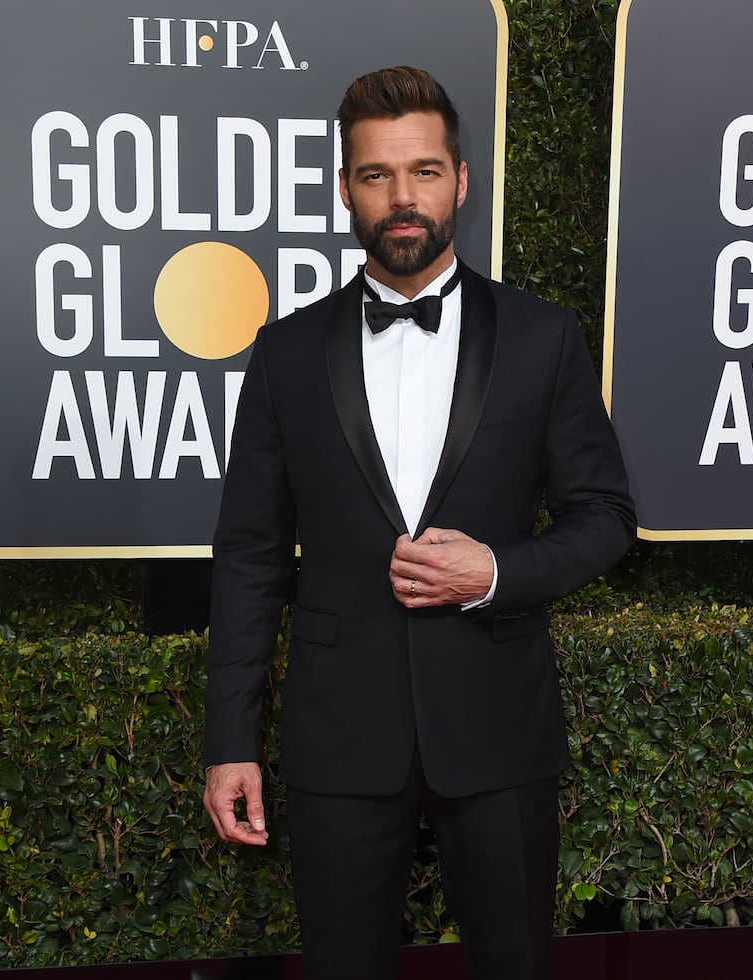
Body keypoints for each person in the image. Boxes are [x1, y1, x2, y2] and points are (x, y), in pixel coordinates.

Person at [203, 66, 635, 980]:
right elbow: (247, 555)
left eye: (425, 172)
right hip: (339, 734)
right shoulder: (285, 353)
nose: (404, 198)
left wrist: (497, 574)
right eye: (376, 175)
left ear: (461, 180)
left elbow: (605, 517)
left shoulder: (542, 336)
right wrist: (231, 742)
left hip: (498, 726)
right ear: (345, 189)